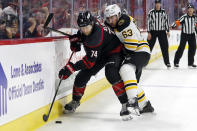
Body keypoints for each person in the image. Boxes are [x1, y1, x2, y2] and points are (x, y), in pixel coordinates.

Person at [58, 11, 132, 121]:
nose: (85, 30)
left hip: (114, 51)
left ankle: (125, 104)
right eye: (82, 28)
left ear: (92, 23)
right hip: (101, 52)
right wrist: (77, 38)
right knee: (82, 76)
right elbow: (83, 35)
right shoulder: (89, 25)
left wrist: (71, 68)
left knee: (111, 73)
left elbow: (89, 62)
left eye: (87, 27)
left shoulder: (95, 37)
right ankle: (75, 101)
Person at [104, 4, 154, 116]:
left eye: (113, 17)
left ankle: (132, 101)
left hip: (140, 50)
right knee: (131, 82)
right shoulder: (118, 22)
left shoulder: (124, 23)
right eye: (108, 18)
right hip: (138, 51)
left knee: (125, 69)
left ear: (118, 15)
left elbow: (131, 47)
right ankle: (146, 105)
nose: (110, 20)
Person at [147, 0, 171, 68]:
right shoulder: (151, 12)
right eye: (156, 3)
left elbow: (166, 21)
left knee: (165, 47)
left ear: (160, 4)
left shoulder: (164, 12)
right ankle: (144, 62)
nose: (157, 5)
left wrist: (168, 31)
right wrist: (149, 32)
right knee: (148, 47)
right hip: (153, 32)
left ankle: (167, 63)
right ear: (155, 4)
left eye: (159, 3)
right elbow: (149, 22)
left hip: (162, 32)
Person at [171, 3, 197, 68]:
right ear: (187, 10)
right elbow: (178, 22)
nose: (190, 10)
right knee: (181, 48)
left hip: (192, 35)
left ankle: (190, 63)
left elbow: (196, 26)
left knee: (193, 49)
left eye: (191, 9)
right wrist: (173, 26)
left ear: (193, 10)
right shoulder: (184, 17)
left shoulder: (195, 18)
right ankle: (176, 62)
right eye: (189, 9)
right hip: (184, 35)